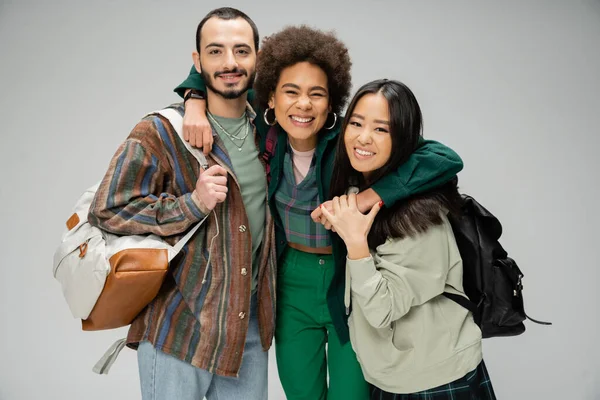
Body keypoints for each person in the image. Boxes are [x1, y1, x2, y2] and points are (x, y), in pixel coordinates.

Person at [176, 26, 465, 400]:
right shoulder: (266, 133)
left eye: (317, 94)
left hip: (347, 278)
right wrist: (194, 101)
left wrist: (367, 198)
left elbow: (444, 159)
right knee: (301, 391)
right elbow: (220, 73)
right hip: (290, 279)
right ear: (270, 100)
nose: (303, 104)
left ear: (332, 103)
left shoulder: (351, 137)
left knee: (351, 394)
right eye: (291, 93)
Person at [88, 7, 276, 400]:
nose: (230, 63)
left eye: (242, 51)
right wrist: (191, 204)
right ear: (197, 61)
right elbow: (107, 209)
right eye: (215, 51)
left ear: (258, 57)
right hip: (180, 327)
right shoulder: (161, 131)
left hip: (248, 330)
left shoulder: (271, 130)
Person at [321, 79, 496, 399]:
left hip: (437, 381)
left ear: (404, 139)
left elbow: (381, 310)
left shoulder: (421, 218)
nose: (363, 137)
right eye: (356, 123)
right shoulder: (357, 189)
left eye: (381, 129)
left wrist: (356, 243)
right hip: (393, 376)